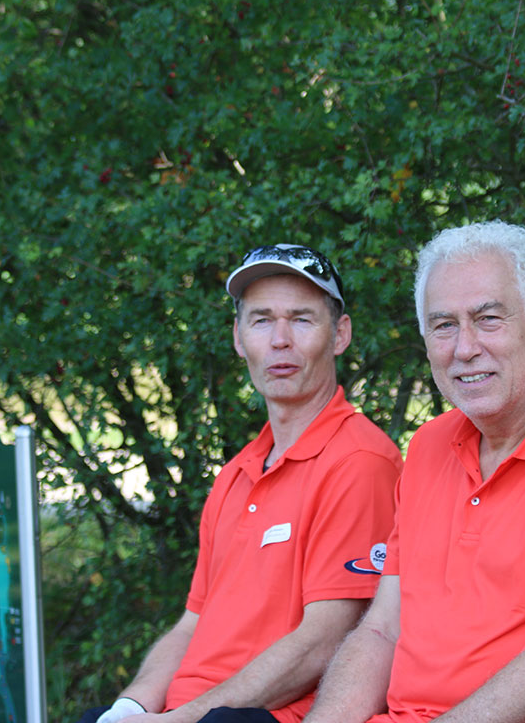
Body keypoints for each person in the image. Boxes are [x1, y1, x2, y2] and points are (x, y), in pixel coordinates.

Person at [304, 221, 525, 723]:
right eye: (444, 325)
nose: (465, 347)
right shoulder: (430, 446)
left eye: (488, 318)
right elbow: (382, 628)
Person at [78, 244, 402, 723]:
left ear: (340, 335)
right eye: (261, 320)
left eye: (302, 319)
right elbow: (192, 624)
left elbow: (326, 639)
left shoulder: (359, 461)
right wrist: (129, 709)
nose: (280, 340)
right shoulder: (237, 473)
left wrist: (179, 719)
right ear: (238, 337)